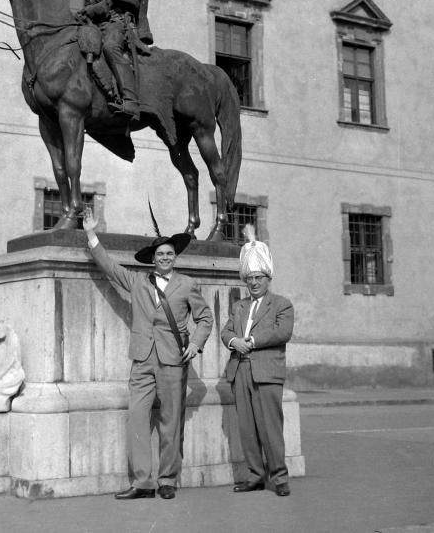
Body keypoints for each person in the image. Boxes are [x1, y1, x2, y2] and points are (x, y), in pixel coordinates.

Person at [83, 208, 212, 500]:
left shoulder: (187, 285)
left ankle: (167, 479)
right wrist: (91, 233)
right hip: (142, 360)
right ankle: (142, 482)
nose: (165, 258)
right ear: (152, 259)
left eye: (169, 254)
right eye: (160, 255)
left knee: (170, 421)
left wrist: (196, 344)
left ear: (174, 257)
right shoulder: (139, 281)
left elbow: (205, 319)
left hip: (172, 361)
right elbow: (110, 268)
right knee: (137, 418)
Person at [220, 227, 294, 497]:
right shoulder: (239, 306)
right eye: (249, 278)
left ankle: (280, 477)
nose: (253, 282)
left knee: (270, 427)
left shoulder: (281, 305)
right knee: (247, 428)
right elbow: (226, 331)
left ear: (268, 277)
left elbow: (281, 332)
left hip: (266, 371)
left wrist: (249, 341)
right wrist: (233, 342)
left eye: (258, 277)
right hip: (240, 371)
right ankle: (255, 475)